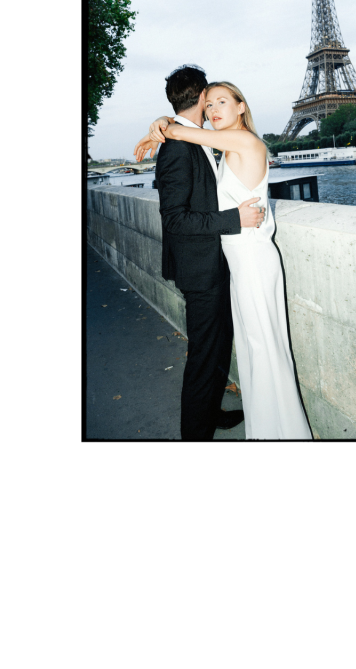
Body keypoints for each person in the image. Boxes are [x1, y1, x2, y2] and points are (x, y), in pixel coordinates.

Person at [135, 80, 313, 442]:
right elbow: (191, 140)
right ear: (200, 102)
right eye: (210, 103)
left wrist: (164, 125)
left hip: (252, 262)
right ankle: (268, 427)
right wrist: (164, 124)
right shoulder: (224, 145)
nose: (214, 110)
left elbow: (190, 134)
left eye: (222, 102)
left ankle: (279, 431)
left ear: (241, 106)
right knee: (254, 348)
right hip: (237, 265)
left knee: (263, 347)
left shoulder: (244, 141)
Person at [137, 65, 265, 440]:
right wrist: (234, 219)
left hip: (214, 263)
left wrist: (164, 121)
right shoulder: (177, 148)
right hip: (200, 268)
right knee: (205, 355)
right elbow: (175, 221)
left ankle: (210, 413)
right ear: (203, 94)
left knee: (216, 346)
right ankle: (196, 431)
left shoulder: (192, 137)